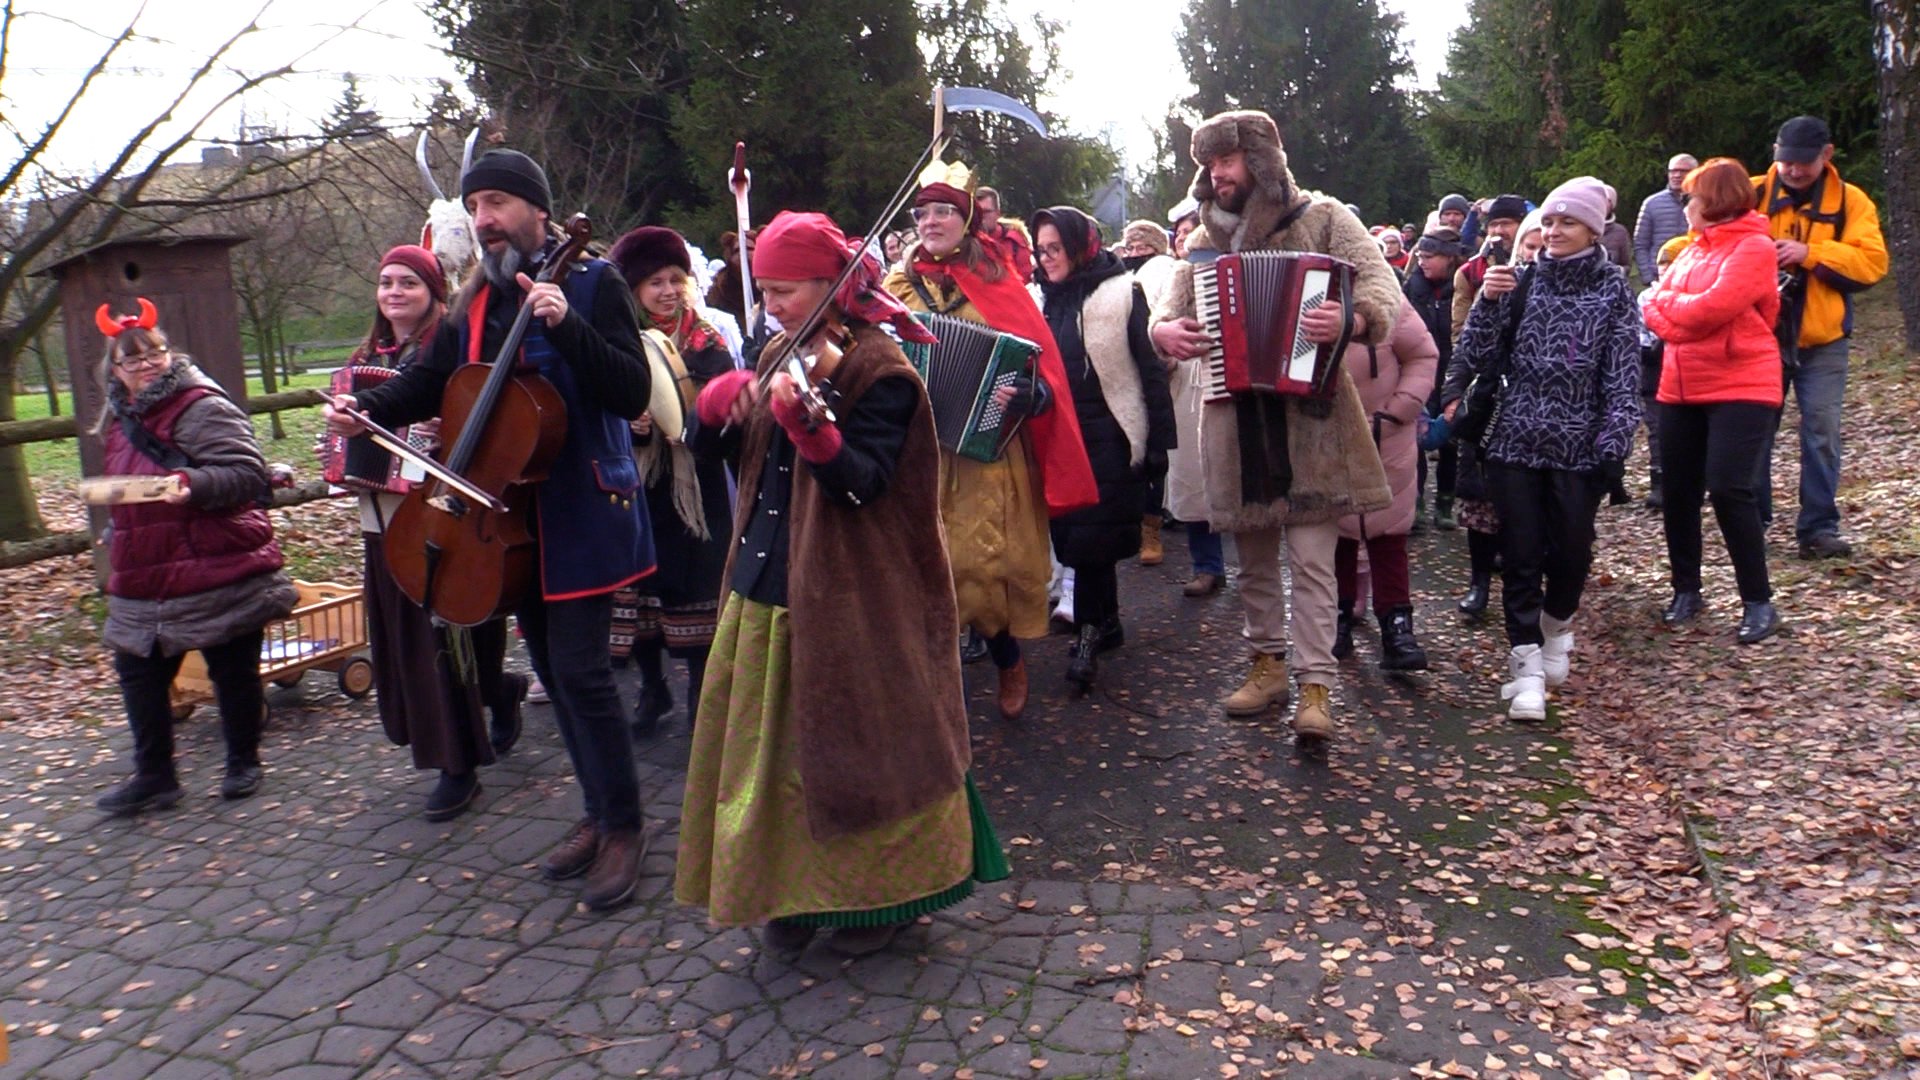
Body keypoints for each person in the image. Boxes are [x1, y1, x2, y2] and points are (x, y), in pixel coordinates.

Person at [325, 149, 657, 910]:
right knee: (546, 658)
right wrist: (368, 411)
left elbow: (630, 388)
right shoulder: (477, 302)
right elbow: (431, 381)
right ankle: (596, 810)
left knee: (580, 672)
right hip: (506, 517)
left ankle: (625, 826)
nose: (484, 219)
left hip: (580, 507)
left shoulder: (594, 283)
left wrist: (568, 325)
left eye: (499, 202)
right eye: (476, 207)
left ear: (539, 211)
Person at [674, 210, 1009, 957]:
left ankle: (887, 899)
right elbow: (717, 456)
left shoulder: (881, 373)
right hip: (764, 590)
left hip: (852, 597)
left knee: (864, 754)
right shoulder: (775, 354)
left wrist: (814, 431)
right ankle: (783, 894)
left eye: (786, 290)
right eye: (764, 291)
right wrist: (715, 410)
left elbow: (864, 489)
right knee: (772, 767)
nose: (771, 309)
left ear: (830, 284)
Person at [1149, 110, 1398, 741]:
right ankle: (1268, 666)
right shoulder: (1203, 242)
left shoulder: (1324, 219)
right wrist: (1162, 332)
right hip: (1236, 418)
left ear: (1260, 162)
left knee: (1314, 561)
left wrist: (1354, 319)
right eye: (1209, 164)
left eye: (1226, 161)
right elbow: (1167, 313)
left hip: (1312, 414)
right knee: (1254, 560)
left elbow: (1379, 283)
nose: (1217, 174)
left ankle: (1317, 685)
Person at [883, 160, 1098, 721]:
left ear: (965, 219)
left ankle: (1006, 656)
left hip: (985, 448)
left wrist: (1032, 396)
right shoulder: (894, 287)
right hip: (914, 447)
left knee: (982, 567)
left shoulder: (999, 281)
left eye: (943, 211)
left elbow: (1038, 364)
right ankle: (935, 681)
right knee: (923, 566)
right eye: (922, 211)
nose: (930, 221)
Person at [1442, 178, 1642, 721]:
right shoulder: (1520, 282)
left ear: (1592, 230)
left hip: (1580, 448)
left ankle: (1557, 626)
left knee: (1572, 553)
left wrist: (1613, 444)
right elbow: (1476, 353)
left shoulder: (1613, 291)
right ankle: (1525, 667)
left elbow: (1623, 376)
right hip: (1513, 443)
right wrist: (1488, 300)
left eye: (1566, 223)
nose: (1553, 232)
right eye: (1548, 222)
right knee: (1522, 556)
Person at [337, 245, 525, 821]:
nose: (394, 293)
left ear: (434, 293)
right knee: (405, 636)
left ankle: (458, 764)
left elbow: (478, 419)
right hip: (381, 519)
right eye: (386, 282)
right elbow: (356, 438)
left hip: (439, 515)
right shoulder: (364, 358)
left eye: (409, 284)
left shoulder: (447, 351)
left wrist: (442, 429)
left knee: (441, 641)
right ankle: (495, 694)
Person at [91, 301, 297, 815]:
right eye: (132, 359)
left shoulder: (201, 405)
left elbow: (247, 475)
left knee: (232, 668)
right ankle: (156, 777)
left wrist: (192, 484)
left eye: (154, 352)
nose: (146, 364)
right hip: (146, 571)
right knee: (137, 671)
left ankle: (243, 762)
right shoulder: (119, 419)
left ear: (169, 352)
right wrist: (119, 526)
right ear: (115, 370)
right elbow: (134, 487)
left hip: (215, 562)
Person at [1030, 206, 1177, 690]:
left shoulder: (1121, 293)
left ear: (1078, 247)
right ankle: (1107, 620)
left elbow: (1149, 368)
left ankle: (1091, 632)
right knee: (1073, 536)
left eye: (1056, 248)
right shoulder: (1039, 298)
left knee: (1092, 540)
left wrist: (1159, 444)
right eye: (1041, 249)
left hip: (1109, 433)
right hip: (1057, 434)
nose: (1046, 258)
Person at [1641, 158, 1783, 644]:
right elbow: (1653, 301)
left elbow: (1706, 310)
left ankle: (1758, 601)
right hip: (1679, 384)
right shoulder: (1691, 252)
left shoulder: (1755, 247)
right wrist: (1670, 312)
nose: (1685, 206)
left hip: (1742, 383)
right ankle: (1686, 589)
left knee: (1728, 488)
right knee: (1678, 491)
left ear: (1714, 201)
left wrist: (1666, 312)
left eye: (1692, 197)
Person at [606, 226, 737, 734]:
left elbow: (724, 400)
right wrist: (629, 422)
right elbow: (603, 402)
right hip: (642, 484)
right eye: (654, 281)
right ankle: (653, 688)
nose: (666, 290)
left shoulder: (706, 339)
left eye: (674, 279)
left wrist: (695, 412)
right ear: (634, 289)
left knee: (697, 590)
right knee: (643, 597)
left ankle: (702, 700)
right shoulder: (619, 342)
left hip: (695, 487)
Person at [1751, 115, 1889, 560]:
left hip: (1824, 339)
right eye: (1785, 161)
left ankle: (1818, 527)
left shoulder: (1852, 202)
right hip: (1760, 337)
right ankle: (1752, 520)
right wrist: (1670, 255)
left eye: (1802, 164)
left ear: (1826, 156)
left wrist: (1811, 254)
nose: (1792, 171)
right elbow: (1702, 238)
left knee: (1822, 432)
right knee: (1755, 430)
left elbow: (1872, 263)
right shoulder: (1750, 193)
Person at [1332, 297, 1437, 671]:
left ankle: (1396, 625)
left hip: (1387, 435)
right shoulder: (1304, 292)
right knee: (1336, 534)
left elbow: (1423, 355)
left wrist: (1399, 410)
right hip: (1328, 435)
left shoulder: (1389, 300)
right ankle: (1337, 618)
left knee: (1390, 532)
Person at [1406, 227, 1461, 535]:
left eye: (1430, 256)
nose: (1423, 261)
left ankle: (1445, 503)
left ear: (1449, 258)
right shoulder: (1410, 288)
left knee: (1451, 440)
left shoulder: (1462, 288)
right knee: (1413, 438)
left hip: (1453, 374)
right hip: (1418, 374)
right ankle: (1414, 503)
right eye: (1421, 256)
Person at [1450, 194, 1529, 343]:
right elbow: (1460, 330)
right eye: (1493, 224)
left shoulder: (1542, 265)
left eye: (1506, 223)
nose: (1498, 230)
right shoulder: (1470, 271)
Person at [1634, 153, 1698, 285]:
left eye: (1683, 171)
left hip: (1693, 275)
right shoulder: (1652, 203)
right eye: (1673, 171)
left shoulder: (1705, 203)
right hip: (1658, 277)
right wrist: (1648, 278)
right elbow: (1640, 245)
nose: (1677, 175)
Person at [974, 185, 1034, 282]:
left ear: (998, 213)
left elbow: (1027, 278)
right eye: (977, 212)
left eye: (986, 212)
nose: (981, 217)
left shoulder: (1014, 241)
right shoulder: (967, 243)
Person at [1599, 183, 1634, 271]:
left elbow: (1626, 265)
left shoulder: (1620, 232)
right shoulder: (1581, 229)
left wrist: (1615, 272)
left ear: (1612, 205)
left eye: (1606, 200)